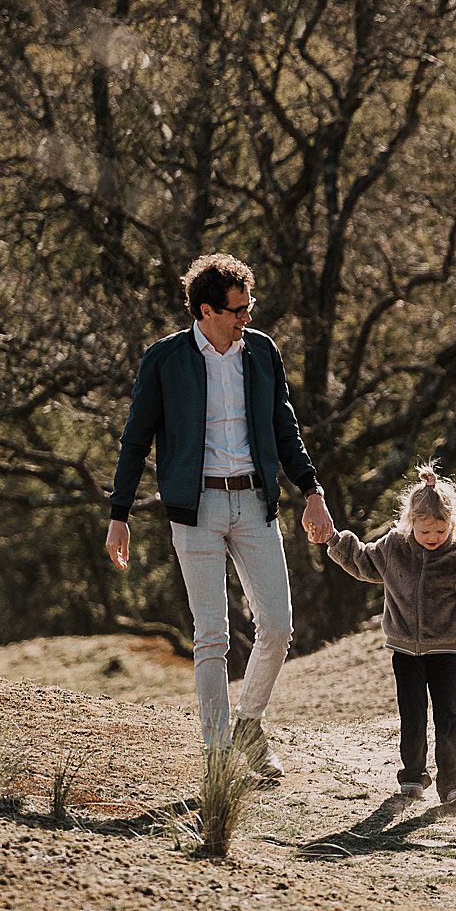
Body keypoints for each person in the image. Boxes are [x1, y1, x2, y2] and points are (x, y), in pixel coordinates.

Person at [106, 253, 334, 777]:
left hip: (255, 503)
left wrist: (311, 490)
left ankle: (248, 726)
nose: (246, 318)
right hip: (196, 509)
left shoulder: (261, 353)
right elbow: (135, 440)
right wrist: (120, 513)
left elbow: (285, 426)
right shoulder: (164, 360)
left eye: (248, 306)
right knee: (213, 636)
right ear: (206, 310)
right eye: (237, 310)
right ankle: (215, 757)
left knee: (277, 625)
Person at [325, 465, 456, 807]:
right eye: (425, 529)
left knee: (447, 717)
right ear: (410, 522)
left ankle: (452, 784)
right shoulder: (394, 548)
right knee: (412, 715)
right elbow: (362, 561)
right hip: (404, 651)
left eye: (441, 530)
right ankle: (413, 776)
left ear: (452, 525)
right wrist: (332, 539)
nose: (433, 537)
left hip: (444, 652)